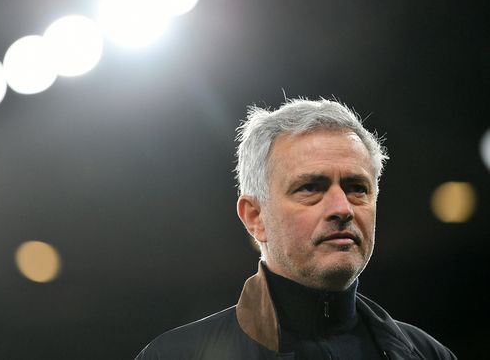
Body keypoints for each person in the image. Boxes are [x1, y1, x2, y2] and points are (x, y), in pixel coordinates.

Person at [135, 98, 457, 359]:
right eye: (310, 188)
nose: (342, 208)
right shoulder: (175, 355)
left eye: (357, 187)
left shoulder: (430, 354)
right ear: (255, 217)